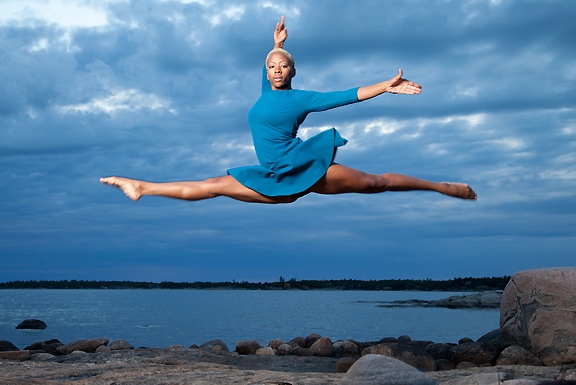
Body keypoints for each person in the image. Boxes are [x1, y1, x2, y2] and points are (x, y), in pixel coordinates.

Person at [101, 16, 476, 204]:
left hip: (303, 168)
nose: (277, 70)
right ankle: (141, 187)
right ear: (266, 71)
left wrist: (385, 85)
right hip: (270, 175)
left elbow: (346, 95)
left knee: (374, 183)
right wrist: (276, 43)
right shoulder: (265, 88)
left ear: (293, 71)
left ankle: (442, 187)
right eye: (271, 66)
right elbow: (270, 61)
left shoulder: (300, 98)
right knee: (211, 187)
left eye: (283, 66)